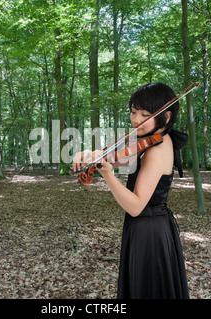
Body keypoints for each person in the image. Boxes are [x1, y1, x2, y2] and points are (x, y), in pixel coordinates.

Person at [72, 82, 190, 299]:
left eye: (145, 114)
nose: (136, 120)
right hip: (148, 229)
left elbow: (135, 206)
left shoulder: (157, 150)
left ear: (166, 116)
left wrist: (107, 174)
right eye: (133, 112)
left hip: (149, 234)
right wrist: (88, 155)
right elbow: (115, 156)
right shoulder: (150, 141)